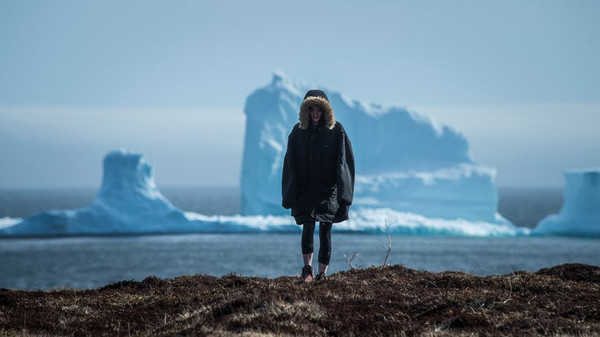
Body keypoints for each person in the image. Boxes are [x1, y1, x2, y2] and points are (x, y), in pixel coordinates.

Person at [282, 89, 355, 282]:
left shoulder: (336, 130)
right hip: (306, 190)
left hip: (327, 191)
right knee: (307, 227)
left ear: (325, 111)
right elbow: (290, 163)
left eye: (319, 110)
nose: (315, 114)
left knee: (325, 230)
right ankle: (307, 270)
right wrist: (290, 192)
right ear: (306, 111)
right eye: (311, 110)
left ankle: (322, 274)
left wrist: (344, 195)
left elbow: (344, 162)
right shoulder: (298, 132)